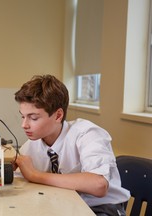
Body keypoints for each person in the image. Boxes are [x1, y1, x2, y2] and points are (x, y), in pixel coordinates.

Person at [13, 74, 130, 216]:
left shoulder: (87, 134)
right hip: (63, 206)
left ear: (58, 116)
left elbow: (99, 185)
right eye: (23, 116)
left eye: (33, 118)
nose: (24, 125)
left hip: (100, 208)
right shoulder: (31, 145)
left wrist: (35, 175)